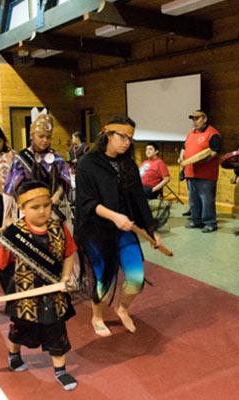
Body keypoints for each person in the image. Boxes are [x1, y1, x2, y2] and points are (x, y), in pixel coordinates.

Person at [0, 181, 78, 391]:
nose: (42, 211)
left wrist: (66, 276)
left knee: (57, 332)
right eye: (35, 207)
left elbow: (69, 253)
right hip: (24, 298)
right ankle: (14, 354)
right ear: (22, 208)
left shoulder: (59, 227)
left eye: (46, 205)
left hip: (53, 296)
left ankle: (60, 370)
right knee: (20, 330)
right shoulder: (14, 234)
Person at [75, 116, 163, 337]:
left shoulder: (128, 164)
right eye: (123, 137)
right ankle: (97, 315)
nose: (127, 142)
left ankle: (122, 308)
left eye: (130, 138)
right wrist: (114, 216)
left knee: (135, 277)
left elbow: (139, 202)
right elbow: (86, 202)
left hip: (124, 230)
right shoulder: (88, 164)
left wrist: (152, 231)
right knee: (105, 279)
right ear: (108, 134)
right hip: (96, 231)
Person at [3, 112, 71, 225]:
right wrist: (8, 216)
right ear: (32, 135)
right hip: (29, 209)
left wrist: (56, 196)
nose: (45, 140)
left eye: (48, 137)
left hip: (53, 208)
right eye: (41, 136)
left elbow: (62, 183)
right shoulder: (21, 159)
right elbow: (12, 188)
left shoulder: (57, 159)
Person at [180, 110, 222, 233]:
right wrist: (182, 157)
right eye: (193, 119)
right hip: (190, 173)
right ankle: (195, 220)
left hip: (206, 175)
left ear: (205, 118)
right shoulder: (191, 133)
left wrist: (199, 161)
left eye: (197, 118)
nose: (195, 121)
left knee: (207, 200)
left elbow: (214, 153)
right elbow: (184, 148)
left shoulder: (213, 134)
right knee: (193, 200)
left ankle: (210, 223)